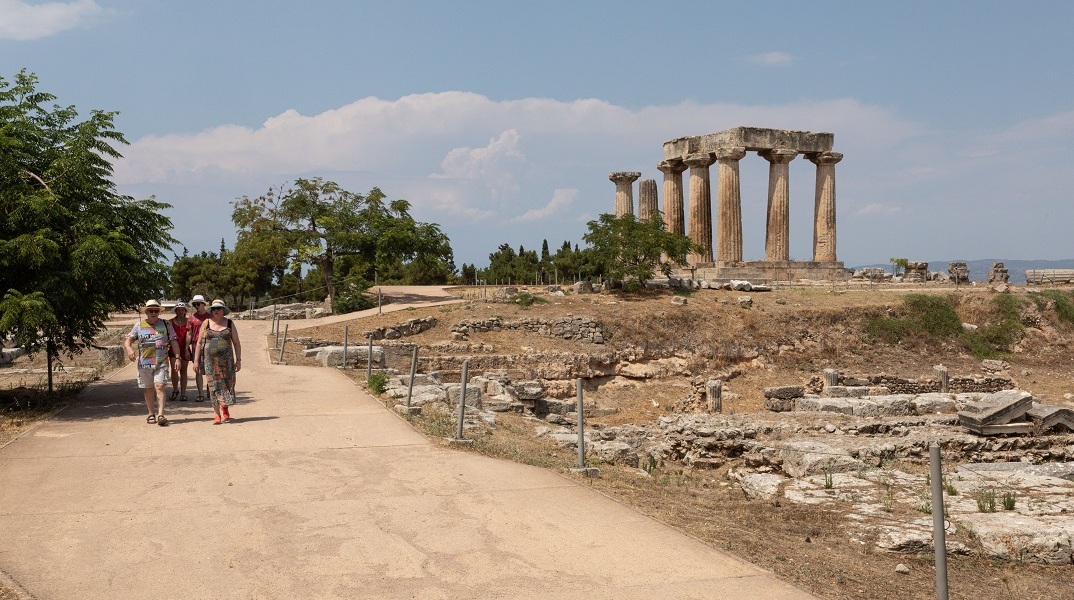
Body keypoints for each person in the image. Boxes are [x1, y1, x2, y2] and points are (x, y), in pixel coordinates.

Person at [123, 299, 181, 426]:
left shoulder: (166, 324)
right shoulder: (139, 325)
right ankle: (151, 413)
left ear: (159, 312)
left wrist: (177, 358)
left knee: (160, 386)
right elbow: (129, 341)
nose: (153, 313)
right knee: (149, 389)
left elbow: (174, 342)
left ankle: (161, 415)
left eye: (156, 311)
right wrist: (129, 350)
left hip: (162, 362)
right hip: (145, 363)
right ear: (147, 312)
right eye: (151, 311)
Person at [193, 299, 242, 424]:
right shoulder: (206, 323)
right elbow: (199, 343)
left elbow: (236, 343)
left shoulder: (230, 323)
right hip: (210, 361)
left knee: (227, 384)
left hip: (227, 362)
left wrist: (239, 360)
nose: (216, 310)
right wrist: (196, 361)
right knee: (213, 386)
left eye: (218, 308)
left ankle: (224, 407)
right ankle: (216, 415)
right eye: (214, 308)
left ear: (223, 310)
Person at [167, 301, 194, 401]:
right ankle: (175, 390)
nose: (180, 311)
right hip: (173, 349)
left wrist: (187, 348)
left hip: (185, 348)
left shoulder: (188, 322)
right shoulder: (170, 322)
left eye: (182, 310)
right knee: (174, 370)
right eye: (178, 310)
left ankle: (183, 393)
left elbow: (190, 335)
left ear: (185, 310)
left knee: (184, 371)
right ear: (176, 311)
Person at [187, 295, 211, 402]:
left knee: (210, 369)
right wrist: (185, 347)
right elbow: (189, 333)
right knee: (198, 370)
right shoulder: (191, 318)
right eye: (194, 304)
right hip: (196, 346)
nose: (196, 306)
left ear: (204, 304)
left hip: (209, 345)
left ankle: (210, 390)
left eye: (198, 304)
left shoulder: (210, 317)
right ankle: (200, 394)